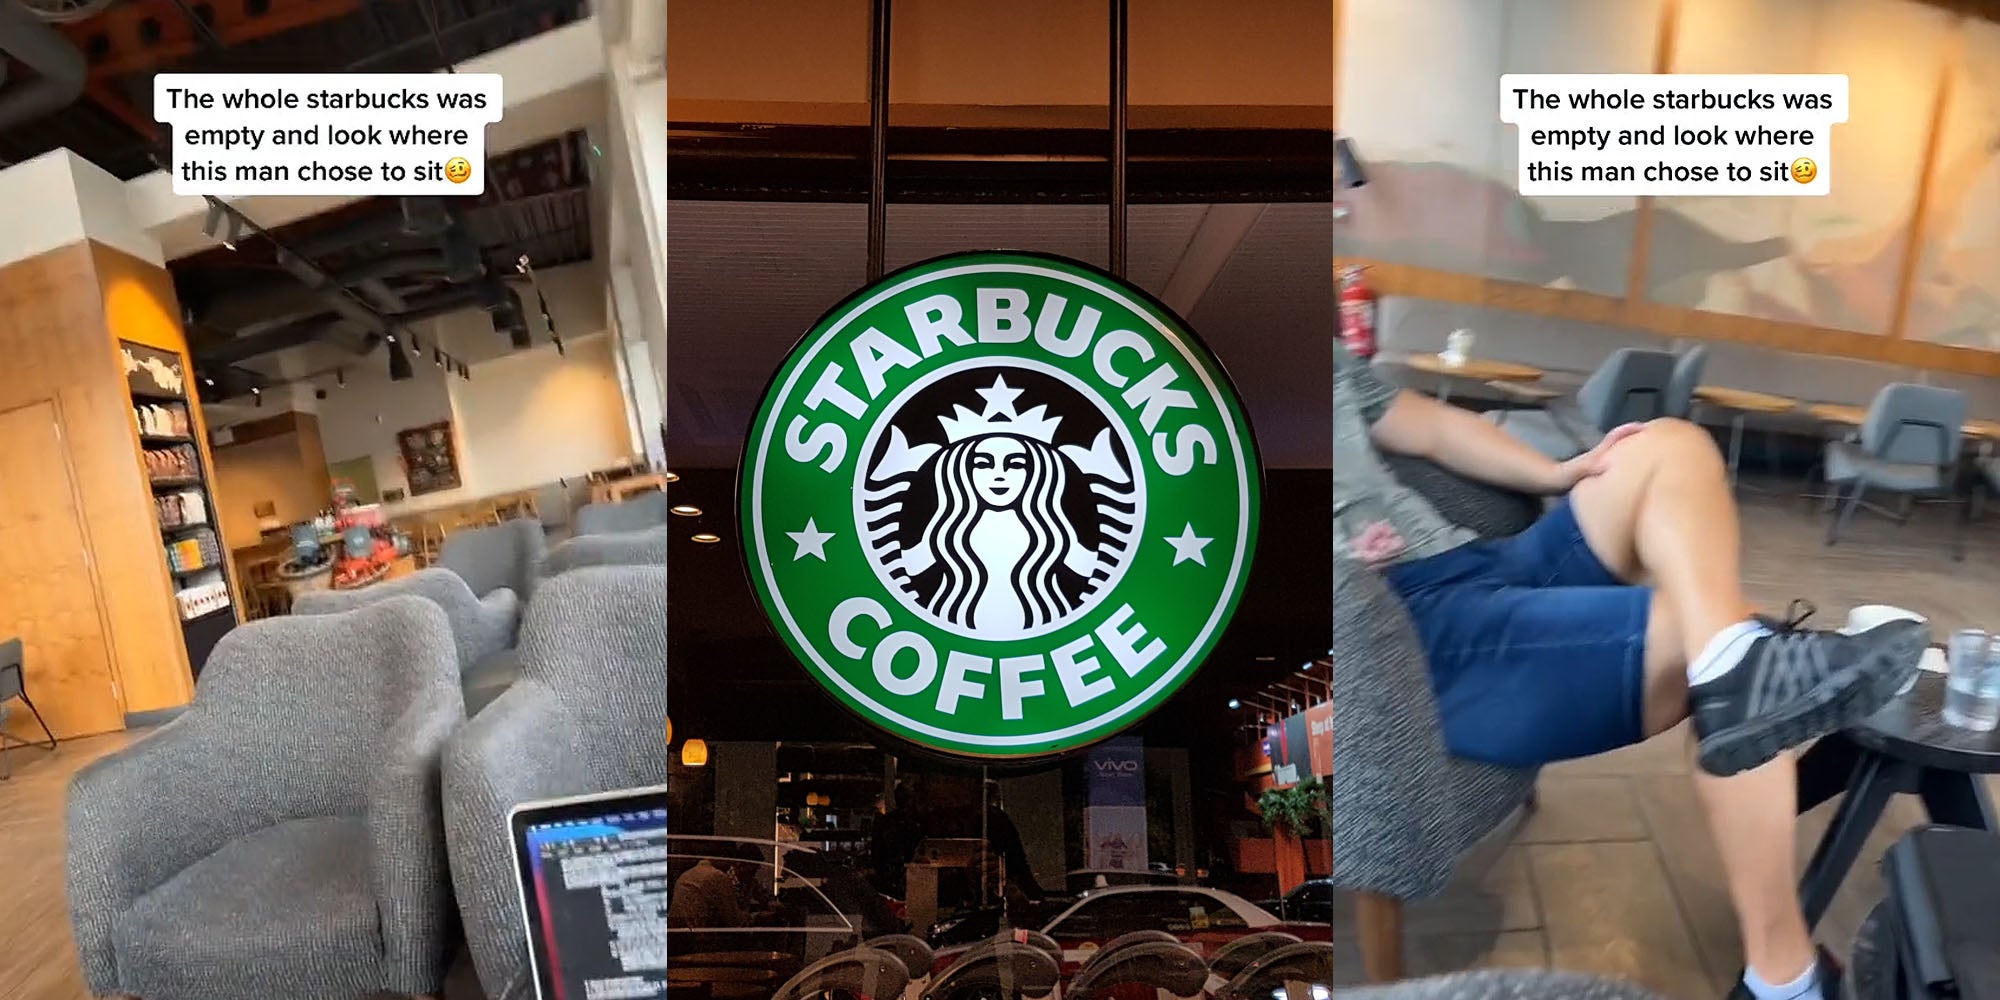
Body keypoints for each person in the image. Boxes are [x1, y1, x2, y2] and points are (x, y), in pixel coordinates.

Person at [1335, 344, 1923, 1000]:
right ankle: (1785, 977)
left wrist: (1564, 473)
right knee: (1703, 635)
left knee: (1667, 445)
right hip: (1400, 638)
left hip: (1472, 563)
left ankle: (1734, 660)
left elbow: (1435, 427)